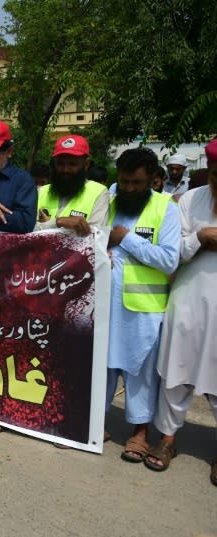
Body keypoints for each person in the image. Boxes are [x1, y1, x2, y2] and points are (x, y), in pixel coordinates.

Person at [145, 139, 217, 481]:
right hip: (188, 297)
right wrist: (202, 238)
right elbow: (175, 252)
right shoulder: (190, 199)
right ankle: (168, 438)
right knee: (177, 370)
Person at [105, 147, 180, 463]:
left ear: (153, 179)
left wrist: (126, 239)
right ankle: (94, 421)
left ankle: (139, 432)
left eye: (137, 183)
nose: (129, 189)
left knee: (141, 372)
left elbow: (168, 259)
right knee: (102, 367)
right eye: (124, 182)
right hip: (104, 302)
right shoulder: (109, 201)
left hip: (144, 308)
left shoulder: (167, 208)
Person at [36, 135, 109, 236]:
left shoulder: (99, 192)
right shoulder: (41, 192)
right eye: (60, 164)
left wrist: (46, 227)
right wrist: (57, 222)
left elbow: (96, 236)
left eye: (72, 164)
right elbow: (26, 229)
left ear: (86, 164)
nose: (65, 169)